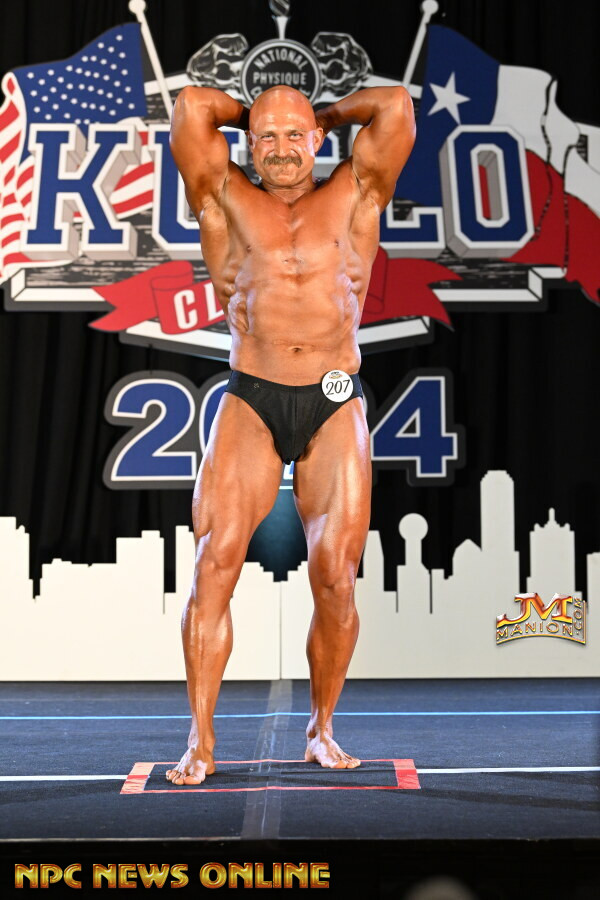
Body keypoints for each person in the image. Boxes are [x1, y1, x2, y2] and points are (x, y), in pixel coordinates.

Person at [166, 82, 416, 785]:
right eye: (266, 137)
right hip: (252, 393)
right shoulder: (222, 194)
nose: (280, 149)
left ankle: (321, 729)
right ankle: (200, 741)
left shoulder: (357, 190)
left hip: (334, 397)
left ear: (318, 140)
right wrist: (260, 114)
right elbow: (191, 107)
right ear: (248, 143)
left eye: (295, 135)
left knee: (335, 574)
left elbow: (395, 105)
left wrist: (321, 113)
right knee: (214, 563)